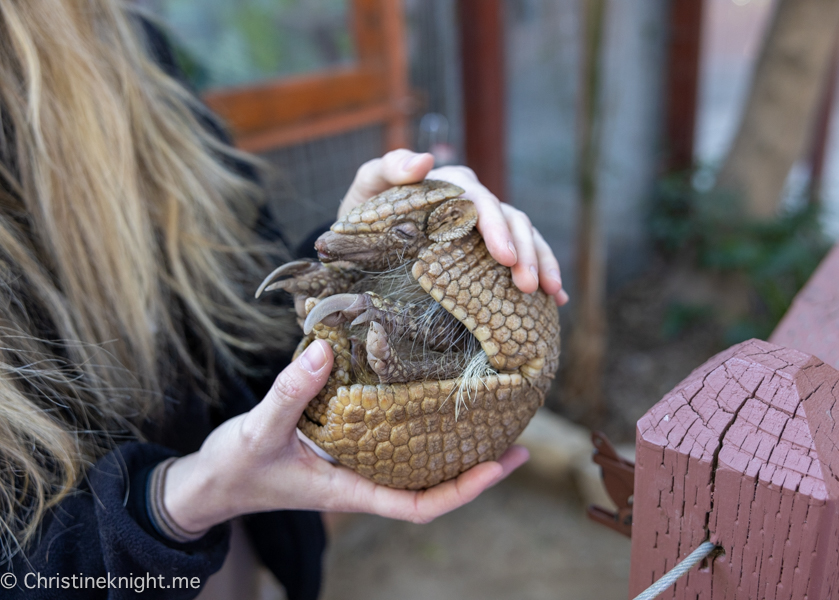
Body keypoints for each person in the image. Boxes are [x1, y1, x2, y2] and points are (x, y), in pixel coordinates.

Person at [0, 1, 567, 598]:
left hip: (239, 558)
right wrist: (169, 503)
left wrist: (348, 269)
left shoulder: (120, 39)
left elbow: (244, 316)